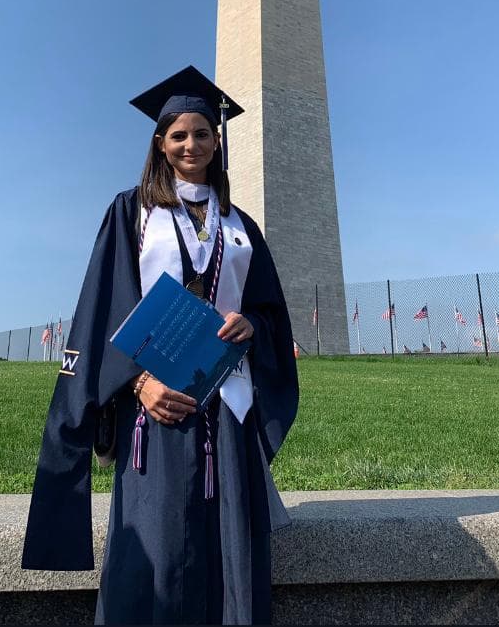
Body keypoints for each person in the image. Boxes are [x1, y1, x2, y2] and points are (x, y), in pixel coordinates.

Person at [22, 66, 298, 625]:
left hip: (228, 404)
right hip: (156, 408)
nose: (191, 144)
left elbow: (270, 311)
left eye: (201, 133)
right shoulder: (132, 213)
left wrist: (252, 326)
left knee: (231, 546)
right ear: (160, 143)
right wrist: (138, 384)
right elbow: (103, 310)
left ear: (217, 140)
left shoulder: (241, 225)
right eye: (179, 134)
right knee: (157, 541)